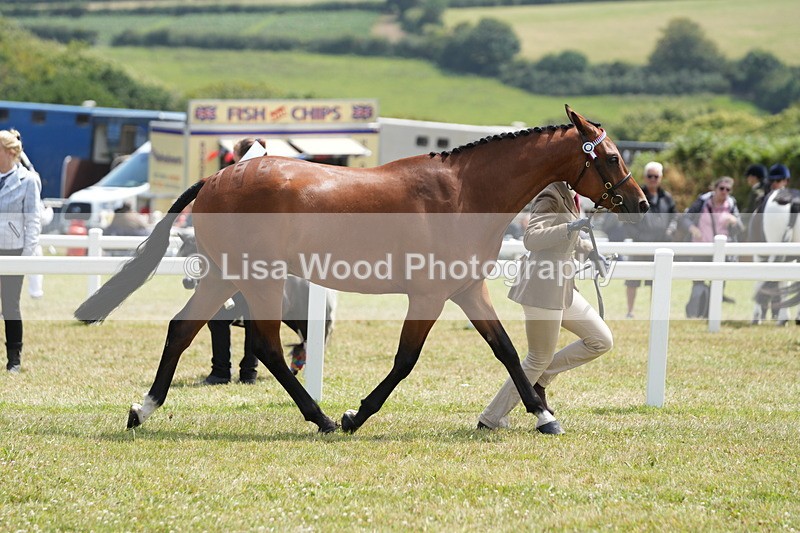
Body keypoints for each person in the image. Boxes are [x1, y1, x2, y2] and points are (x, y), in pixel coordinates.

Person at [477, 181, 613, 432]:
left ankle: (542, 377)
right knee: (537, 357)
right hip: (543, 287)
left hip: (564, 288)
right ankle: (491, 418)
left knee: (601, 340)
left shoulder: (571, 195)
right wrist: (570, 226)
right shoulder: (550, 194)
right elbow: (532, 238)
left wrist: (591, 251)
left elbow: (568, 239)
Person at [201, 137, 267, 385]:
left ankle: (220, 371)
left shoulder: (230, 183)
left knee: (217, 314)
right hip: (261, 262)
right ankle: (249, 371)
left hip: (232, 259)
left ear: (239, 156)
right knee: (254, 315)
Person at [0, 129, 42, 373]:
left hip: (14, 251)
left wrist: (27, 256)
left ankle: (14, 359)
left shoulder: (28, 181)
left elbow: (33, 220)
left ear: (9, 152)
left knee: (10, 306)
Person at [679, 176, 744, 317]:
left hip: (721, 252)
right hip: (701, 249)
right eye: (721, 188)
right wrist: (693, 229)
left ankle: (712, 315)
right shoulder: (703, 202)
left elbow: (740, 227)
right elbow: (684, 218)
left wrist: (734, 221)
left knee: (718, 285)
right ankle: (694, 313)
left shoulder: (731, 204)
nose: (724, 192)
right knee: (698, 284)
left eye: (728, 189)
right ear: (714, 189)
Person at [623, 162, 677, 319]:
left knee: (658, 281)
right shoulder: (636, 194)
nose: (653, 179)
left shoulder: (667, 197)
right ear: (645, 177)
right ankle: (630, 312)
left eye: (656, 176)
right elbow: (627, 219)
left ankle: (655, 312)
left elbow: (674, 217)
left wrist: (670, 231)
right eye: (650, 176)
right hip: (639, 245)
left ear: (661, 178)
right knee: (632, 280)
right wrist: (637, 236)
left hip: (660, 247)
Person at [749, 164, 796, 325]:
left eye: (779, 181)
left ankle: (761, 310)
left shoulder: (765, 198)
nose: (776, 184)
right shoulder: (760, 193)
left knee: (769, 261)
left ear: (786, 181)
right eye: (774, 181)